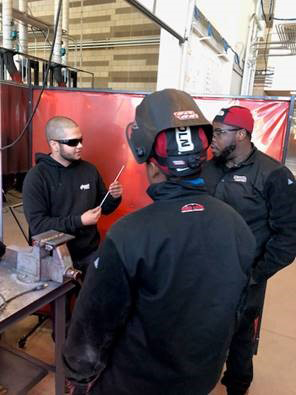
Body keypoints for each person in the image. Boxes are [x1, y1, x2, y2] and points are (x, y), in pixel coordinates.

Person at [62, 89, 256, 395]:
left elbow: (92, 327)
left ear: (151, 166)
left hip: (135, 384)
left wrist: (78, 378)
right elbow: (238, 311)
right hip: (200, 379)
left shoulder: (129, 236)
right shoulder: (237, 226)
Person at [202, 105, 296, 395]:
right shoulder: (207, 168)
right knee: (203, 332)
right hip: (205, 272)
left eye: (219, 133)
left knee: (238, 336)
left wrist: (256, 275)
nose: (212, 139)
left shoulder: (274, 175)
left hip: (245, 276)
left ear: (241, 134)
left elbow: (289, 236)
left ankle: (238, 384)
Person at [22, 116, 122, 274]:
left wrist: (114, 197)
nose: (80, 146)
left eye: (81, 140)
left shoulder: (89, 170)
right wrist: (80, 221)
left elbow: (105, 208)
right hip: (52, 257)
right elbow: (38, 226)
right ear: (54, 145)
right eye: (72, 142)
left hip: (89, 252)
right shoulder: (36, 177)